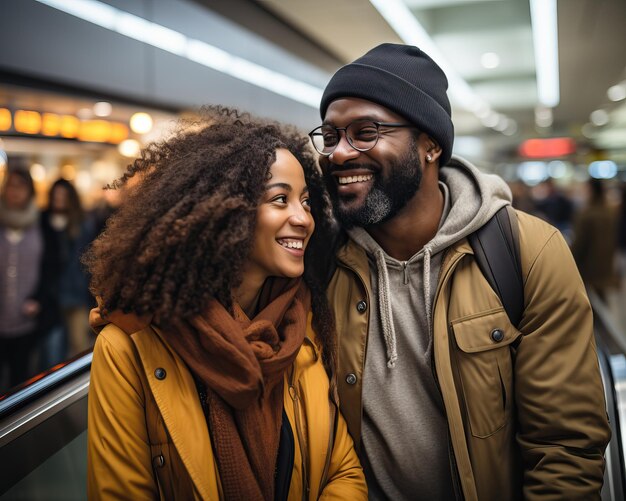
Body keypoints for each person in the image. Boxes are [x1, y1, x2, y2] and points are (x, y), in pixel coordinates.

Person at [311, 43, 611, 500]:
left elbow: (564, 445)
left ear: (430, 145)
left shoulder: (525, 252)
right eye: (330, 137)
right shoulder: (322, 261)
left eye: (365, 132)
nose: (339, 153)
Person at [85, 107, 367, 500]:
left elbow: (344, 470)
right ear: (224, 212)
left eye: (305, 201)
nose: (304, 218)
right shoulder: (129, 348)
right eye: (280, 200)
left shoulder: (301, 330)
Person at [39, 178, 96, 368]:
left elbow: (89, 260)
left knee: (79, 348)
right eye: (56, 194)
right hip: (50, 296)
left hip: (76, 294)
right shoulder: (43, 221)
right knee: (52, 350)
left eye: (63, 195)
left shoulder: (83, 224)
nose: (59, 198)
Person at [0, 165, 44, 391]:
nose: (15, 191)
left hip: (27, 320)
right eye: (11, 185)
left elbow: (50, 269)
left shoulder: (41, 223)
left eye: (21, 186)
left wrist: (38, 299)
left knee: (19, 380)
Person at [570, 178, 619, 301]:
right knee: (602, 303)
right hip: (606, 266)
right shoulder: (611, 212)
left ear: (591, 190)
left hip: (589, 269)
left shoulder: (587, 214)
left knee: (590, 307)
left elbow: (579, 244)